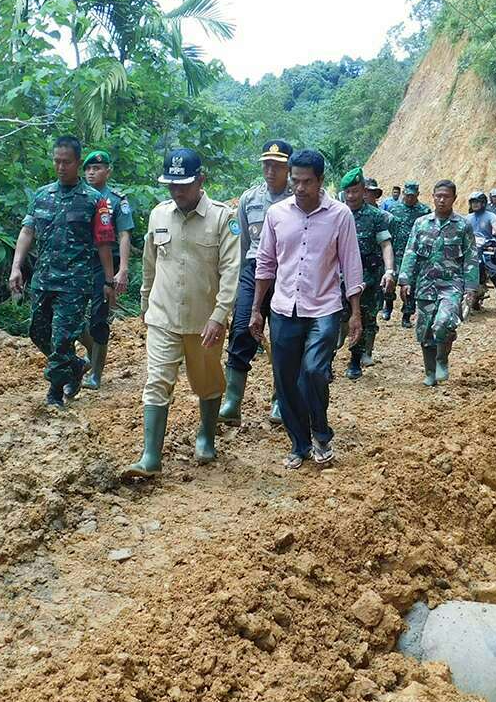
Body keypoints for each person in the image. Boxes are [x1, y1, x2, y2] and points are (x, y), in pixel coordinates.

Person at [123, 149, 241, 479]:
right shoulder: (158, 215)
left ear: (201, 180)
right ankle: (150, 456)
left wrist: (220, 315)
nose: (177, 192)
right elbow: (149, 264)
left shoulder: (222, 219)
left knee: (206, 381)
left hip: (205, 321)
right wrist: (145, 305)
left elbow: (232, 271)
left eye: (184, 185)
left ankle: (205, 435)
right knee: (157, 381)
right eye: (172, 185)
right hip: (162, 316)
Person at [249, 149, 363, 469]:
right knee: (285, 380)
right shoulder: (277, 214)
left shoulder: (340, 215)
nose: (300, 188)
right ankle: (300, 443)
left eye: (307, 182)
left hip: (324, 307)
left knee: (313, 371)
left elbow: (351, 265)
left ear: (320, 181)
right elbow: (266, 264)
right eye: (295, 181)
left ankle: (321, 432)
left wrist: (355, 313)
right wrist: (256, 309)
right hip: (284, 307)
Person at [8, 135, 116, 406]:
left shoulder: (94, 200)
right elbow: (27, 230)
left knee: (62, 338)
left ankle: (55, 393)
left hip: (75, 282)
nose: (60, 167)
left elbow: (104, 243)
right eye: (56, 161)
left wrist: (109, 280)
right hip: (43, 278)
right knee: (38, 332)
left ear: (78, 163)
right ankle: (76, 365)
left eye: (66, 162)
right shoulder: (43, 195)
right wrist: (16, 267)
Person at [218, 139, 294, 426]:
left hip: (286, 273)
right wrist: (239, 287)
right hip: (253, 270)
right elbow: (243, 245)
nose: (271, 170)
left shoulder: (295, 200)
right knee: (241, 331)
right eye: (267, 164)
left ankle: (280, 401)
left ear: (288, 168)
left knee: (284, 338)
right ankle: (232, 401)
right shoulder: (249, 199)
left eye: (277, 165)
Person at [399, 179, 475, 387]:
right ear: (432, 197)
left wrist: (471, 287)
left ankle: (442, 359)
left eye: (446, 196)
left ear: (454, 199)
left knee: (443, 323)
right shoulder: (421, 223)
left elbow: (470, 257)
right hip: (425, 284)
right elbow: (411, 252)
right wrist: (405, 279)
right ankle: (430, 372)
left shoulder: (462, 225)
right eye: (438, 196)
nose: (442, 200)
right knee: (425, 332)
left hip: (451, 284)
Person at [79, 149, 135, 390]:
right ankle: (92, 353)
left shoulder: (116, 200)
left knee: (99, 317)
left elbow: (124, 235)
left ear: (108, 171)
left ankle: (96, 375)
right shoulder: (78, 196)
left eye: (97, 168)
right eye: (89, 169)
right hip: (80, 262)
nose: (92, 173)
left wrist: (122, 270)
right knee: (71, 314)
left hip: (105, 264)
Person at [339, 168, 394, 378]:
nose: (351, 196)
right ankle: (327, 358)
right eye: (347, 192)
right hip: (338, 278)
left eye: (355, 191)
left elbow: (386, 244)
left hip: (366, 279)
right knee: (336, 319)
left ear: (363, 191)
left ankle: (355, 360)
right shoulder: (336, 214)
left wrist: (389, 271)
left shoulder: (376, 216)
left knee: (361, 315)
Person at [381, 182, 428, 324]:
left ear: (417, 195)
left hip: (413, 255)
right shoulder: (394, 209)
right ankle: (388, 306)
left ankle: (406, 315)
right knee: (389, 282)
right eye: (407, 195)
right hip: (395, 252)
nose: (409, 198)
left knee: (410, 286)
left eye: (412, 196)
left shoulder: (424, 211)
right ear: (403, 194)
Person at [466, 190, 496, 316]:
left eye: (477, 202)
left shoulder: (491, 215)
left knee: (495, 272)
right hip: (471, 248)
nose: (474, 204)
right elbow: (461, 231)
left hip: (486, 246)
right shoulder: (467, 218)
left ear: (483, 203)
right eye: (472, 202)